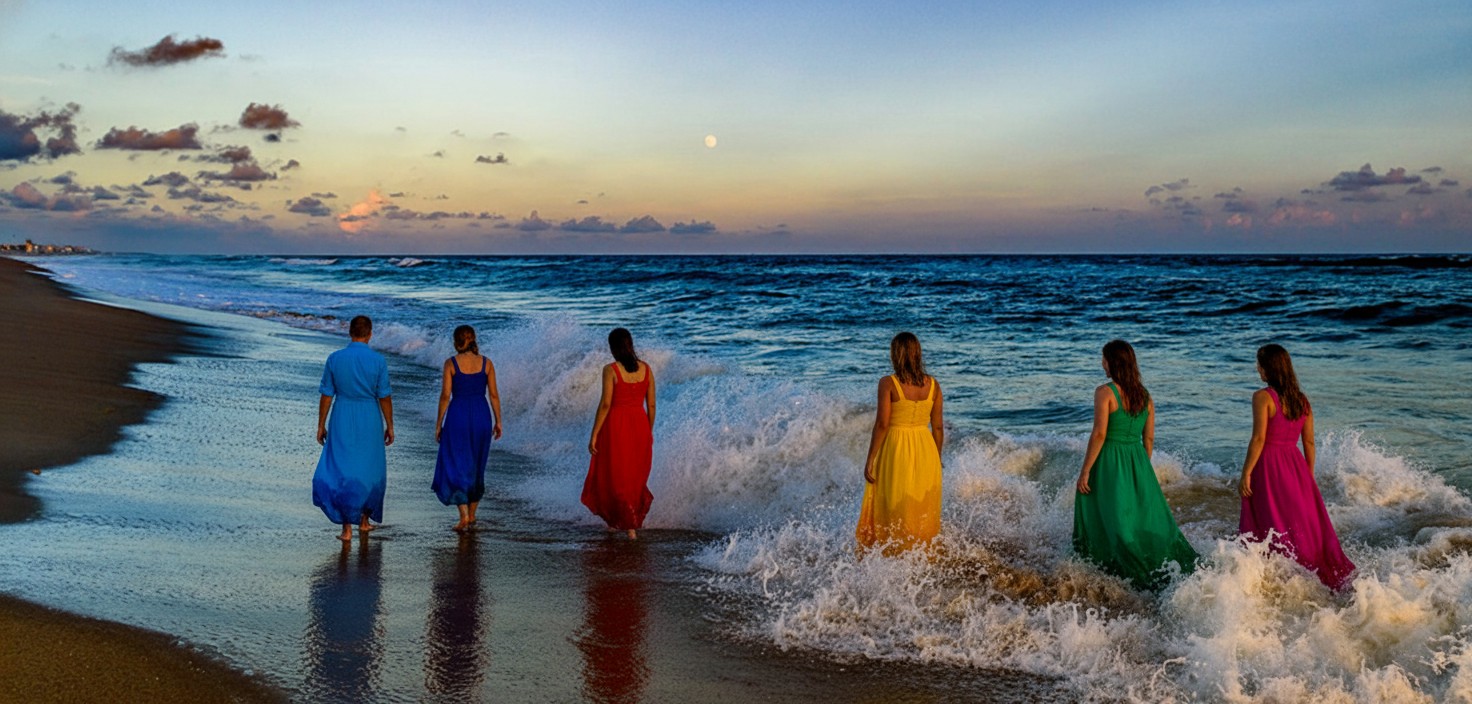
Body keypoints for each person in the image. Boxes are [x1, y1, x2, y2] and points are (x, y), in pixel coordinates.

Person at [1073, 339, 1197, 589]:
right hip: (1138, 460)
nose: (1102, 363)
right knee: (1134, 517)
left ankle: (1108, 568)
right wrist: (1141, 468)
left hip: (1109, 460)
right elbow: (1148, 438)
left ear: (1112, 362)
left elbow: (1099, 434)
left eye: (1104, 358)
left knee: (1106, 513)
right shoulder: (1145, 395)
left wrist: (1085, 470)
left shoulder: (1105, 392)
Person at [1238, 344, 1355, 590]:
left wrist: (1246, 472)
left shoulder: (1262, 397)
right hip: (1295, 465)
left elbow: (1258, 439)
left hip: (1268, 466)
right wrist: (1307, 476)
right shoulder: (1302, 401)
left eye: (1260, 364)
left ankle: (1274, 574)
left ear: (1269, 368)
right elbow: (1309, 442)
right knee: (1295, 521)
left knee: (1269, 518)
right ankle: (1304, 572)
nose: (1257, 369)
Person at [856, 332, 944, 554]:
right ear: (917, 354)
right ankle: (920, 556)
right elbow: (938, 427)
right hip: (926, 449)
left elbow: (882, 424)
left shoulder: (888, 383)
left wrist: (870, 458)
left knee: (894, 501)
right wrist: (937, 458)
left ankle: (892, 554)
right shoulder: (934, 385)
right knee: (920, 506)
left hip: (896, 448)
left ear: (896, 354)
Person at [313, 315, 394, 542]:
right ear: (370, 334)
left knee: (343, 468)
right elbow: (384, 396)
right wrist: (390, 425)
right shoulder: (378, 361)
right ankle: (365, 522)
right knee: (369, 468)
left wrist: (321, 424)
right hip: (369, 417)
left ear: (350, 332)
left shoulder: (335, 358)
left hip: (342, 415)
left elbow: (327, 394)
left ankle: (346, 529)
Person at [581, 328, 656, 539]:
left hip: (616, 426)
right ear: (630, 344)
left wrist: (594, 434)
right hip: (640, 425)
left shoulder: (611, 370)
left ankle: (628, 526)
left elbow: (606, 404)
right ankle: (620, 523)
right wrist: (648, 431)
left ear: (613, 348)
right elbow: (651, 404)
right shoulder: (646, 369)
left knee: (615, 474)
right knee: (633, 476)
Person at [432, 325, 502, 532]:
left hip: (458, 415)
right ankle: (472, 515)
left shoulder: (451, 363)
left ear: (456, 342)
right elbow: (494, 395)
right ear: (474, 339)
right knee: (477, 465)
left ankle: (463, 514)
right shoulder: (486, 363)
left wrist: (438, 423)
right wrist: (498, 421)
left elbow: (445, 396)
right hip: (481, 415)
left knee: (456, 463)